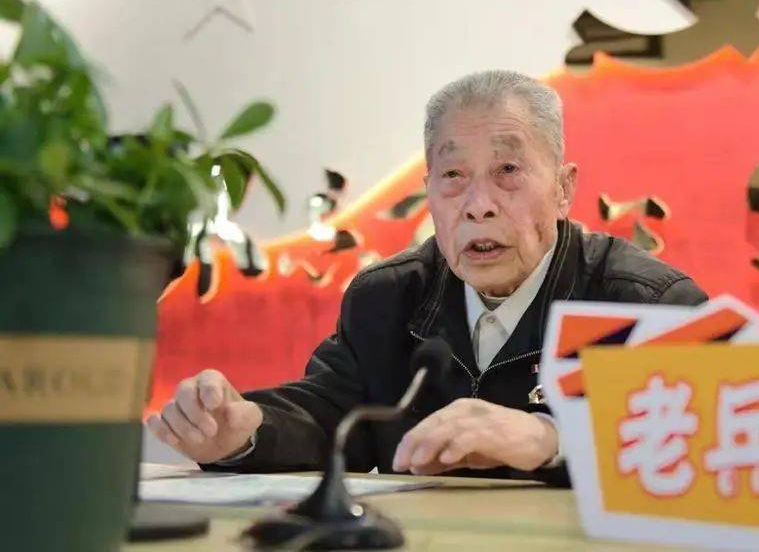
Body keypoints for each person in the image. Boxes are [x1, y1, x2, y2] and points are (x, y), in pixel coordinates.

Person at [147, 70, 707, 485]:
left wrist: (553, 438)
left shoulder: (647, 305)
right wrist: (244, 431)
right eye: (453, 175)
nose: (478, 204)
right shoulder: (388, 298)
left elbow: (708, 450)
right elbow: (331, 416)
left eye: (508, 170)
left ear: (563, 189)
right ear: (429, 192)